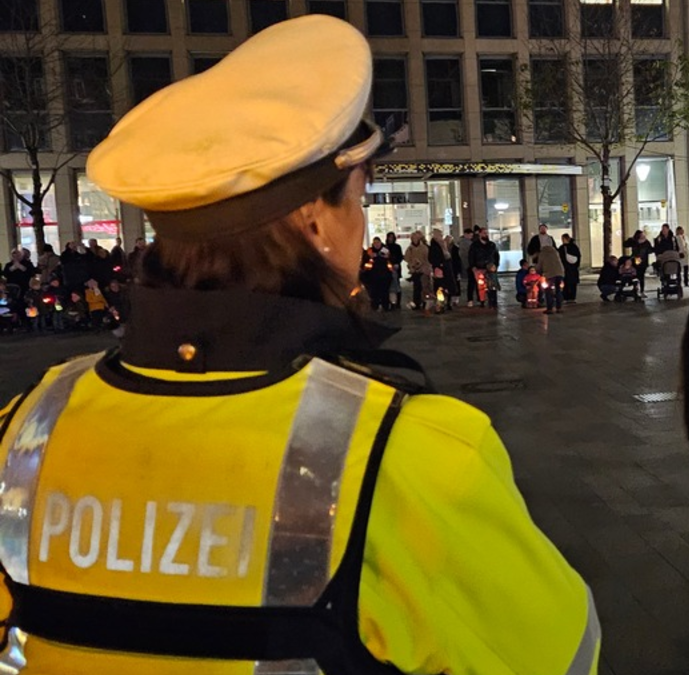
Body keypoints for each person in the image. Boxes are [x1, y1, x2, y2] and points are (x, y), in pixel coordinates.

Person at [0, 16, 599, 675]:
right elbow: (565, 651)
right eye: (359, 197)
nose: (362, 223)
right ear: (316, 221)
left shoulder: (27, 427)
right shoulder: (411, 457)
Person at [527, 223, 564, 314]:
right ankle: (559, 307)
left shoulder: (542, 253)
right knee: (558, 290)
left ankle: (550, 308)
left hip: (549, 273)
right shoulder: (555, 252)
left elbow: (539, 265)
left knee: (548, 290)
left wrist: (538, 271)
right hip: (559, 272)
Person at [560, 233, 582, 302]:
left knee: (566, 283)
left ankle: (566, 296)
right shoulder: (574, 247)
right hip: (573, 268)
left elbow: (560, 258)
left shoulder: (562, 248)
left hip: (565, 268)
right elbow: (578, 256)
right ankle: (572, 297)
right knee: (573, 284)